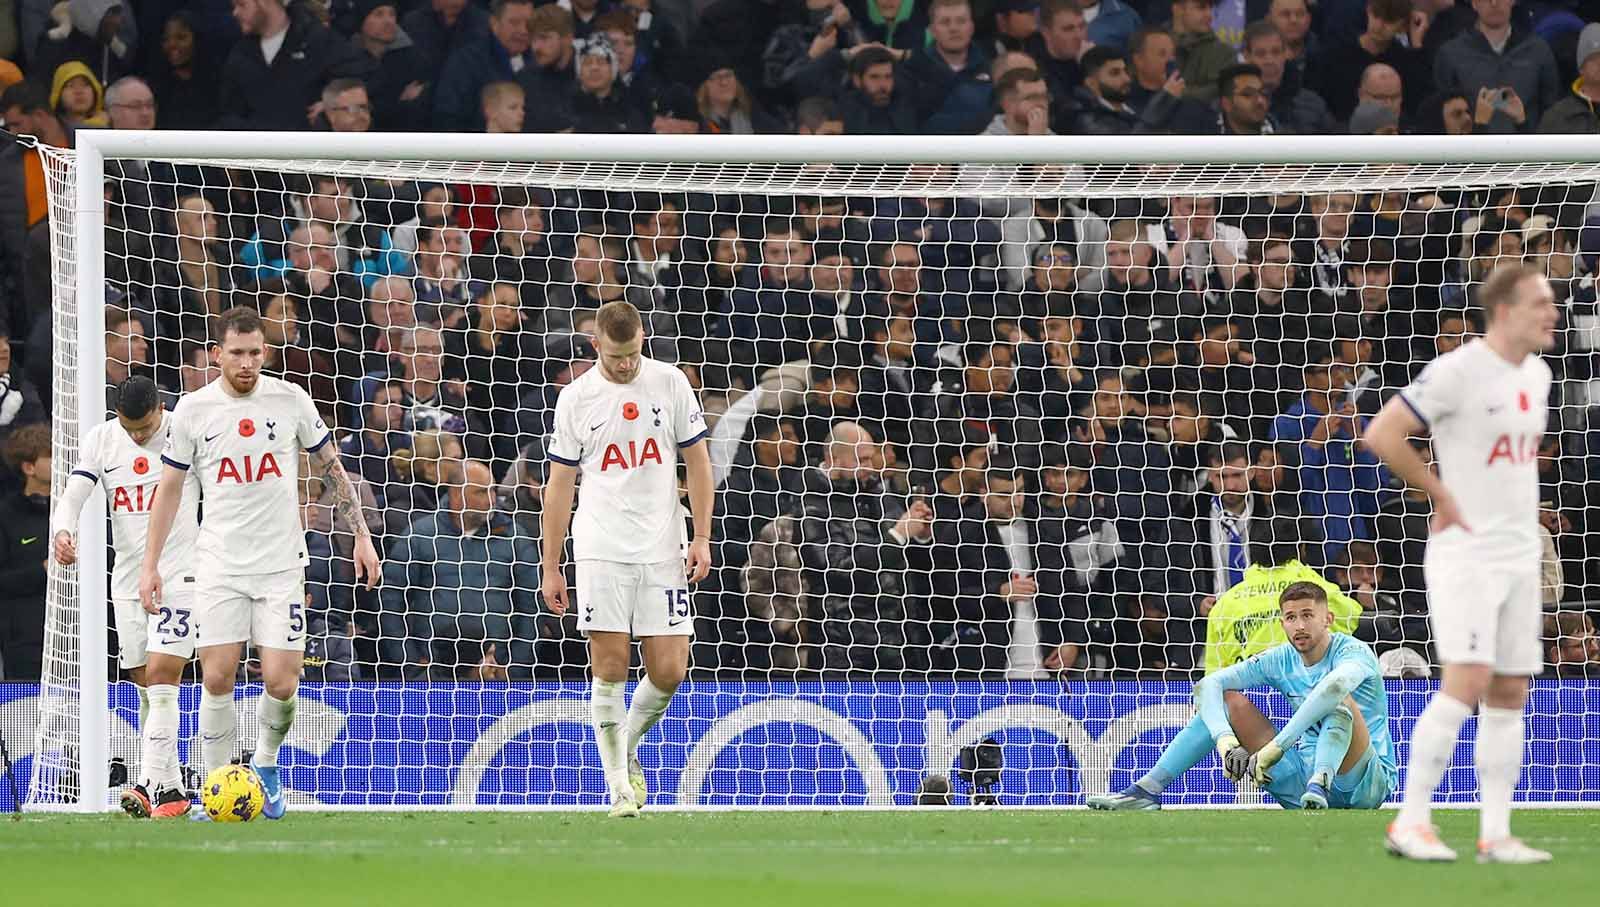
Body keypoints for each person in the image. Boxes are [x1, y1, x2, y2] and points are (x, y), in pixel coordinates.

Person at [138, 307, 381, 821]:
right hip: (221, 564)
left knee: (281, 681)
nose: (246, 363)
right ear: (216, 355)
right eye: (236, 353)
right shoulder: (192, 411)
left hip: (280, 566)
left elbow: (330, 465)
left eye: (255, 353)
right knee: (218, 677)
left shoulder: (290, 400)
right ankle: (215, 788)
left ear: (264, 353)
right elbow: (170, 490)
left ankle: (266, 764)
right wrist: (150, 564)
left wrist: (361, 534)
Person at [1364, 264, 1557, 863]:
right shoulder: (1458, 371)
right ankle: (1411, 822)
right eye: (1541, 304)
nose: (1554, 313)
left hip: (1519, 550)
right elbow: (1383, 433)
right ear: (1505, 310)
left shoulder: (1539, 373)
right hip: (1466, 553)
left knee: (1509, 689)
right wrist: (1440, 494)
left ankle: (1495, 834)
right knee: (1467, 681)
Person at [540, 300, 713, 818]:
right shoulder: (576, 399)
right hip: (601, 548)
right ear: (596, 345)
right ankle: (618, 787)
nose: (626, 365)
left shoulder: (670, 383)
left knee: (670, 670)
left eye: (634, 353)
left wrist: (700, 536)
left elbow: (698, 463)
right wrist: (552, 564)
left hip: (664, 546)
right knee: (610, 667)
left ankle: (625, 744)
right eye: (617, 356)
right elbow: (559, 486)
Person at [1087, 581, 1397, 812]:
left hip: (1362, 784)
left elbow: (1332, 689)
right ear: (1282, 623)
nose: (1299, 625)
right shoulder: (1281, 658)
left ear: (1327, 619)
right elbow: (1208, 685)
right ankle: (1145, 791)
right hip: (1299, 783)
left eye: (1308, 615)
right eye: (1291, 618)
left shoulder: (1353, 652)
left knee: (1338, 703)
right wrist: (1227, 743)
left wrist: (1275, 748)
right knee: (1227, 699)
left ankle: (1322, 780)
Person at [50, 376, 201, 819]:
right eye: (129, 428)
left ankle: (144, 782)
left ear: (161, 409)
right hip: (128, 579)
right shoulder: (103, 437)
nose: (137, 437)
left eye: (145, 427)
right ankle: (172, 791)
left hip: (179, 573)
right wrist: (64, 529)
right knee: (146, 688)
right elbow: (74, 492)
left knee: (162, 676)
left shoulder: (184, 430)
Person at [0, 422, 50, 682]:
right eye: (50, 456)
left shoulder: (78, 508)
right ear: (29, 467)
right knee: (25, 718)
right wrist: (42, 571)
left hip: (80, 636)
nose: (59, 461)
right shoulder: (7, 515)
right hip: (25, 642)